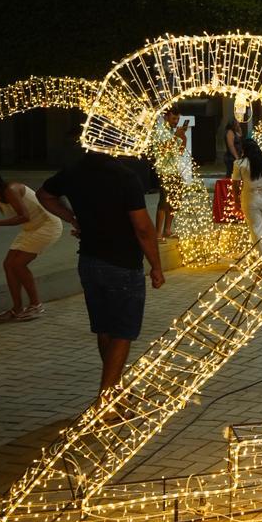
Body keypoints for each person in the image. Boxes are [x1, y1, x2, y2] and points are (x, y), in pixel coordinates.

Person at [38, 152, 165, 395]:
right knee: (122, 333)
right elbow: (143, 227)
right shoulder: (125, 176)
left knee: (105, 328)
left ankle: (113, 391)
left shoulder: (73, 170)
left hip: (89, 261)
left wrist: (73, 218)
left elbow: (44, 195)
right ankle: (107, 400)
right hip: (123, 263)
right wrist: (156, 266)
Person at [0, 167, 63, 321]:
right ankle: (17, 309)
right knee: (8, 265)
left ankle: (36, 305)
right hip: (30, 229)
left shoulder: (11, 189)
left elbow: (24, 216)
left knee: (18, 264)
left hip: (47, 225)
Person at [154, 110, 191, 241]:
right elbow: (163, 150)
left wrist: (183, 137)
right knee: (163, 203)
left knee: (175, 203)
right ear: (166, 116)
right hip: (165, 171)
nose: (176, 122)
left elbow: (180, 151)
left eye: (177, 119)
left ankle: (167, 230)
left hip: (176, 170)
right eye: (174, 118)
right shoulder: (160, 130)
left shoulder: (172, 131)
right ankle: (158, 233)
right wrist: (176, 136)